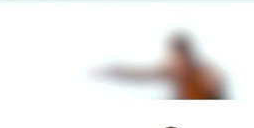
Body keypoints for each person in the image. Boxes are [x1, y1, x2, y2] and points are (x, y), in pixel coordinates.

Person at [96, 33, 226, 100]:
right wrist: (112, 71)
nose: (174, 61)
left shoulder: (205, 72)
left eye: (178, 57)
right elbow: (139, 74)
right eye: (173, 56)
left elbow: (215, 91)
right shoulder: (172, 70)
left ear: (186, 55)